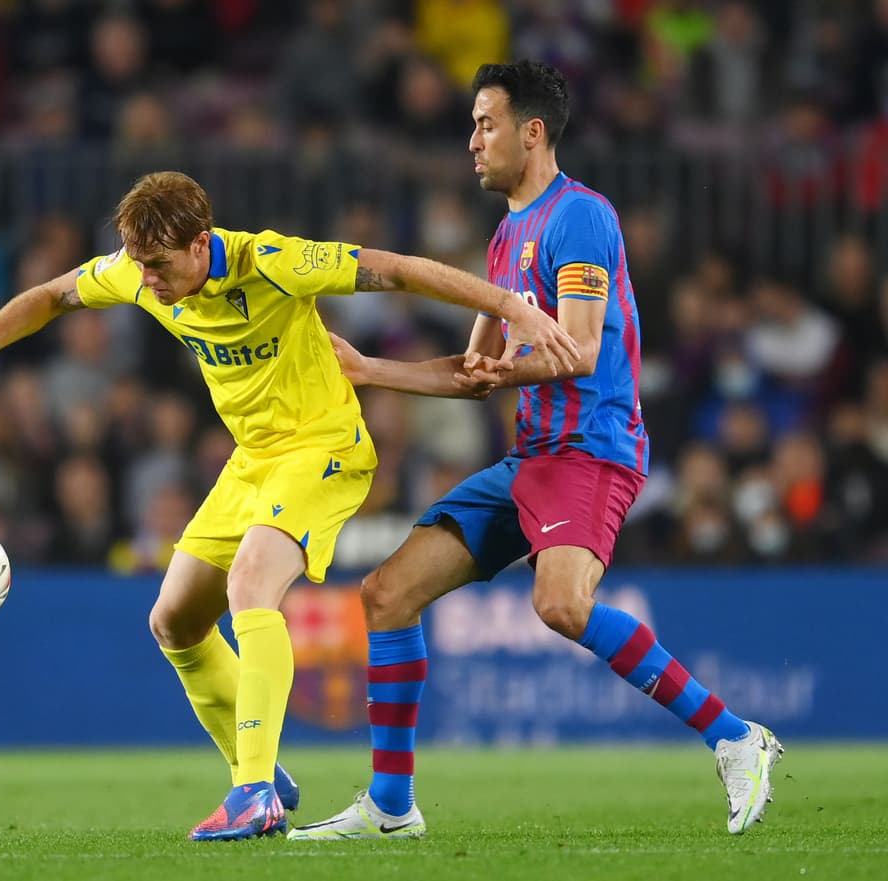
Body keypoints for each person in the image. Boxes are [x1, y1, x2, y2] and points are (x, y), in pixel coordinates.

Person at [0, 170, 578, 841]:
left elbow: (396, 271)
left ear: (201, 244)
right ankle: (264, 771)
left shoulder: (273, 261)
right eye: (140, 265)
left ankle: (251, 792)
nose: (148, 281)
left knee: (252, 582)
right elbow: (52, 294)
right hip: (252, 462)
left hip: (323, 449)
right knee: (173, 623)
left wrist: (513, 306)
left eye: (160, 266)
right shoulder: (136, 270)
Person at [289, 61, 783, 842]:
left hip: (591, 448)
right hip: (532, 456)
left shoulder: (579, 218)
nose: (472, 141)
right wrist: (365, 369)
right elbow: (471, 374)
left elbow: (580, 350)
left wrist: (506, 368)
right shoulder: (505, 238)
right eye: (472, 125)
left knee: (560, 604)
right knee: (386, 594)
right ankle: (390, 805)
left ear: (533, 131)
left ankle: (734, 736)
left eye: (486, 124)